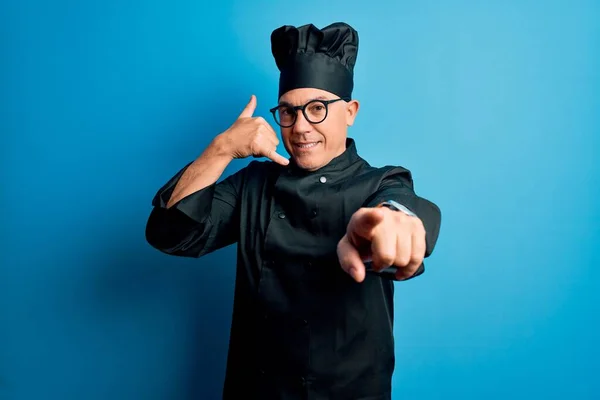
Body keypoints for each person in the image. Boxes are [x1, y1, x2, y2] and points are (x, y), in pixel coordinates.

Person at [145, 22, 442, 400]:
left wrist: (395, 222)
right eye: (287, 112)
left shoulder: (380, 183)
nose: (300, 127)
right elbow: (169, 233)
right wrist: (221, 149)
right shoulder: (254, 185)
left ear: (350, 111)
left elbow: (405, 209)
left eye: (317, 109)